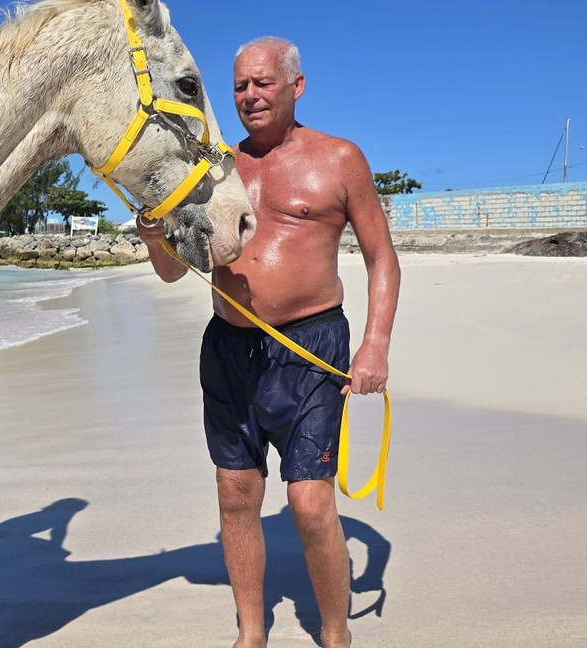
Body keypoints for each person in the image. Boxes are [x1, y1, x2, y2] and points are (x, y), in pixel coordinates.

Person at [137, 37, 400, 648]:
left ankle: (336, 635)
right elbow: (176, 270)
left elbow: (382, 259)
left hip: (312, 348)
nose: (250, 96)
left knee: (309, 506)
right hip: (229, 348)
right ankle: (250, 635)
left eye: (263, 83)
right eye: (239, 87)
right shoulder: (216, 167)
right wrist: (155, 237)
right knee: (235, 495)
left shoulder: (339, 159)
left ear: (295, 86)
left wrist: (375, 345)